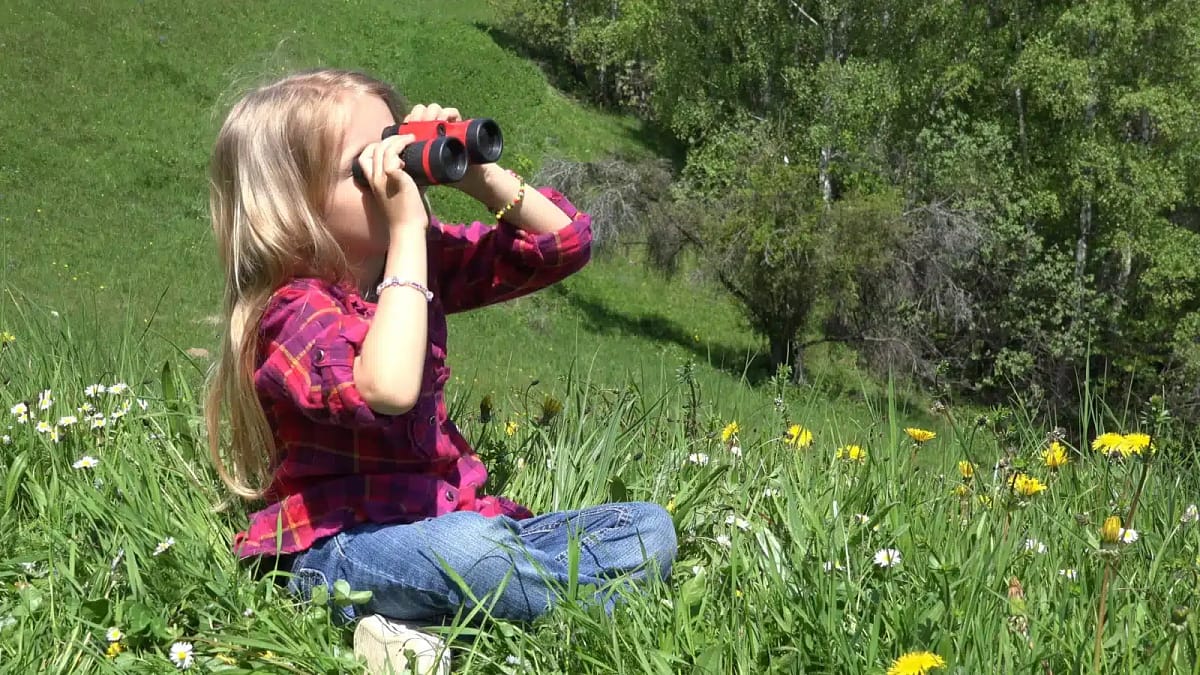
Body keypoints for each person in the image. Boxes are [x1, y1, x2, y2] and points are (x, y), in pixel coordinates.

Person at [202, 68, 677, 673]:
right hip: (341, 547)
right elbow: (388, 388)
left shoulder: (409, 264)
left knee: (646, 529)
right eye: (369, 166)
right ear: (292, 205)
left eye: (399, 147)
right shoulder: (293, 314)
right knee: (472, 552)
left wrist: (478, 173)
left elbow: (563, 246)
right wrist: (408, 231)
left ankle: (418, 624)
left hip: (446, 523)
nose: (399, 174)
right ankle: (547, 608)